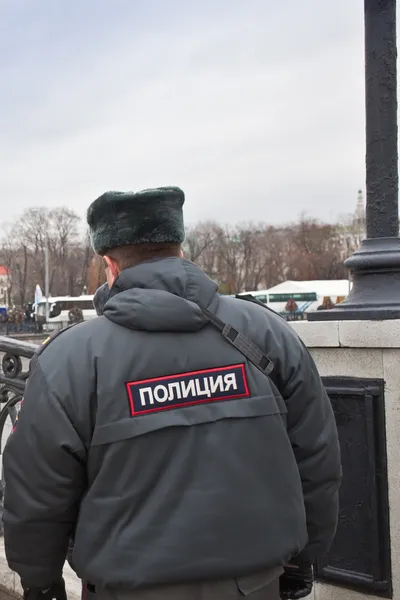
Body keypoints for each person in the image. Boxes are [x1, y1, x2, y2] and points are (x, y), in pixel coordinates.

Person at [3, 186, 341, 600]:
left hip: (125, 586)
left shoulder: (69, 359)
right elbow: (317, 455)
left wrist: (40, 582)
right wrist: (304, 556)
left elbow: (37, 489)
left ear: (110, 265)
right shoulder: (265, 332)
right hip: (254, 583)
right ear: (180, 251)